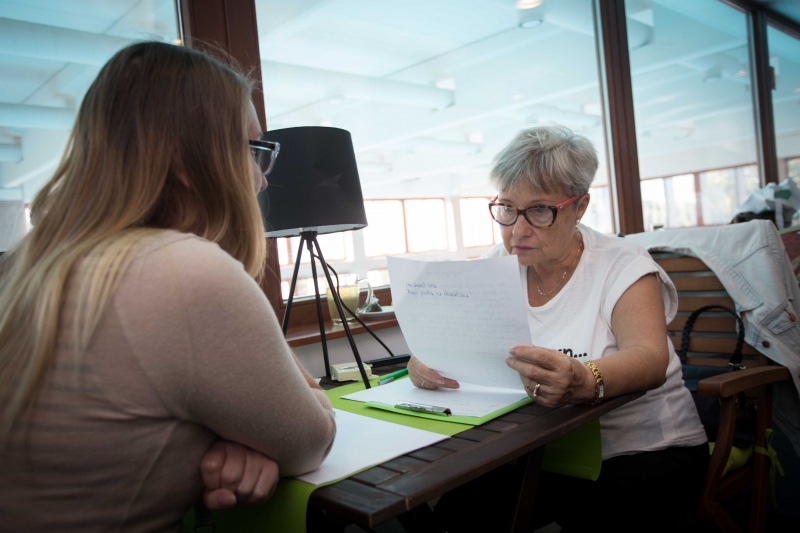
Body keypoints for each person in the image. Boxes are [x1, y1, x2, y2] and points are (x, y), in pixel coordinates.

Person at [0, 42, 335, 532]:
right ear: (184, 159)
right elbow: (310, 441)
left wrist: (209, 438)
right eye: (251, 150)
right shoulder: (183, 273)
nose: (261, 182)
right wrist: (243, 437)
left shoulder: (23, 266)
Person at [409, 126, 709, 532]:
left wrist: (586, 379)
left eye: (538, 211)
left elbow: (650, 358)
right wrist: (429, 358)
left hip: (642, 449)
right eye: (507, 209)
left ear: (579, 206)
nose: (517, 231)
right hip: (541, 449)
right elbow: (459, 340)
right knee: (458, 514)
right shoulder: (499, 262)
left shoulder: (623, 265)